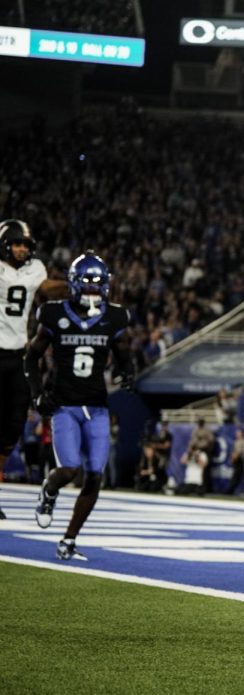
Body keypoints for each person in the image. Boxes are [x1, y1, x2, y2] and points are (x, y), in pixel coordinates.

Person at [24, 253, 134, 561]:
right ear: (73, 284)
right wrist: (36, 394)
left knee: (95, 475)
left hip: (97, 405)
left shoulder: (114, 317)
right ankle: (49, 488)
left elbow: (123, 352)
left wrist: (128, 371)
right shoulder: (53, 313)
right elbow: (31, 356)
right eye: (86, 283)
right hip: (65, 405)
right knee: (69, 469)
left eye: (97, 283)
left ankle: (69, 539)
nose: (91, 290)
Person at [0, 219, 68, 519]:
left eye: (25, 245)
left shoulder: (34, 268)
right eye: (16, 243)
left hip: (17, 356)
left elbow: (47, 288)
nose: (21, 249)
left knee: (13, 428)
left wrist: (74, 283)